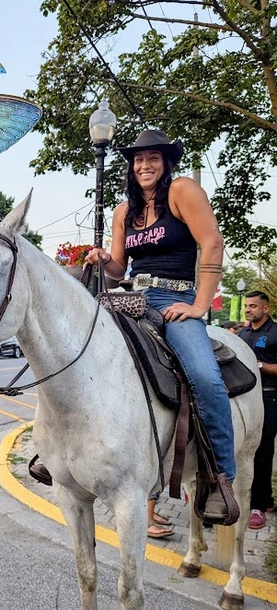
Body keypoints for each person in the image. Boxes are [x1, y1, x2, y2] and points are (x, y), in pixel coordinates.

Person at [86, 129, 238, 522]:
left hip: (177, 298)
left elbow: (212, 243)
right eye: (138, 160)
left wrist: (200, 304)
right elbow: (120, 270)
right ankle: (57, 450)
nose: (144, 165)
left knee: (204, 377)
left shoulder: (182, 191)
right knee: (77, 348)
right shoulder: (125, 212)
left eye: (153, 158)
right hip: (129, 297)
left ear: (167, 163)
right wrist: (103, 259)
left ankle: (220, 477)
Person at [238, 291, 277, 530]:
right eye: (246, 306)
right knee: (243, 449)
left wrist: (258, 364)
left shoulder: (275, 333)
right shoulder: (243, 333)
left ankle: (258, 505)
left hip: (270, 397)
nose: (248, 310)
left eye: (253, 306)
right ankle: (268, 499)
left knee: (262, 450)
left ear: (265, 308)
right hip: (245, 397)